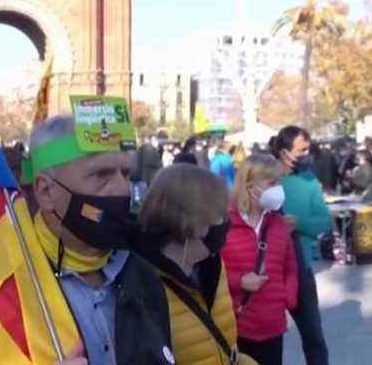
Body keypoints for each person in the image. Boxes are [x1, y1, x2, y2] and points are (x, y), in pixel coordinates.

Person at [29, 115, 172, 364]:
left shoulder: (143, 274)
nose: (122, 189)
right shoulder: (5, 287)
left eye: (126, 174)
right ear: (46, 191)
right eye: (102, 174)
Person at [136, 164, 257, 365]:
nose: (226, 223)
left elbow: (229, 353)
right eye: (219, 215)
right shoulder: (141, 284)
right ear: (189, 221)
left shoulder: (212, 265)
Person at [221, 154, 298, 365]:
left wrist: (286, 298)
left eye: (278, 182)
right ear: (250, 184)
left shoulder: (278, 223)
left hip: (272, 326)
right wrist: (239, 282)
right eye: (272, 183)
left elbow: (290, 266)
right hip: (237, 327)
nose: (277, 189)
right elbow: (210, 274)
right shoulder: (224, 225)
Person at [269, 126, 330, 365]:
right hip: (268, 270)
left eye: (307, 148)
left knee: (314, 337)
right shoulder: (266, 178)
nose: (307, 153)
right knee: (268, 340)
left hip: (301, 267)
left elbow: (324, 221)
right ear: (284, 152)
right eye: (301, 149)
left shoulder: (309, 180)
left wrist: (299, 223)